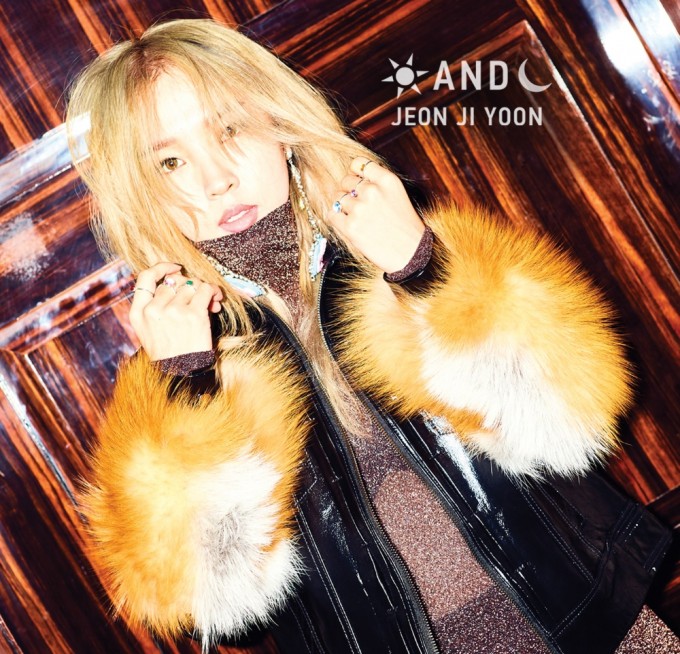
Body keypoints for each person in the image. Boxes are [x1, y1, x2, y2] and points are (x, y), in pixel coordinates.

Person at [65, 18, 678, 654]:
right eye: (169, 161)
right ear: (142, 192)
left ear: (278, 122)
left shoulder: (402, 246)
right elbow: (222, 617)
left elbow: (572, 431)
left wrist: (425, 272)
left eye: (230, 129)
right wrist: (188, 389)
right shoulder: (181, 367)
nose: (215, 178)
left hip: (584, 625)